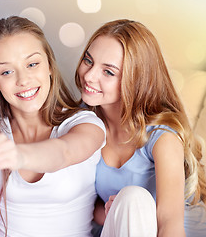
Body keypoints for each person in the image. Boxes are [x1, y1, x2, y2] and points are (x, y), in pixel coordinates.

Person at [0, 16, 106, 237]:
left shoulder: (85, 123)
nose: (23, 80)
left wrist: (17, 155)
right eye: (6, 72)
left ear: (49, 65)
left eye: (32, 64)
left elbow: (64, 152)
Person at [75, 19, 206, 237]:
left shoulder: (162, 137)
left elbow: (169, 224)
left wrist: (131, 209)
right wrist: (117, 212)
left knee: (134, 197)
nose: (89, 76)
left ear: (136, 80)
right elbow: (89, 206)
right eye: (88, 61)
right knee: (130, 200)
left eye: (108, 72)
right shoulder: (83, 122)